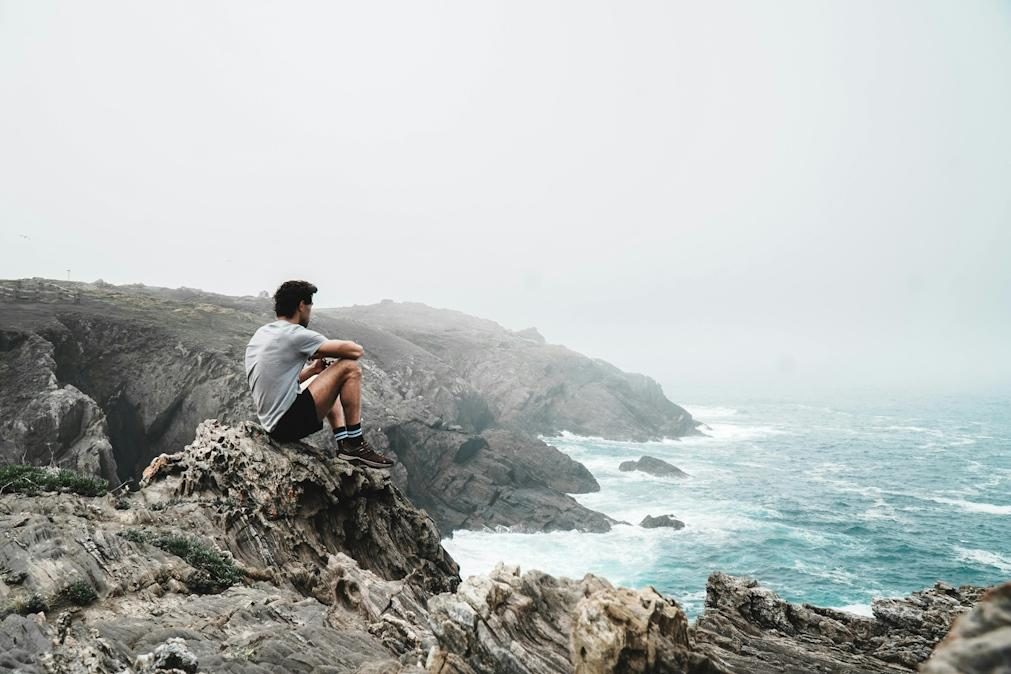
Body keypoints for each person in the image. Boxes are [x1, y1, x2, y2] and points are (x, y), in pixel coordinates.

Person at [244, 280, 394, 469]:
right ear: (301, 305)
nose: (310, 312)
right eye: (310, 306)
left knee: (319, 378)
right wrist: (322, 351)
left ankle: (343, 444)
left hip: (272, 423)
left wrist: (314, 370)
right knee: (349, 367)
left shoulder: (263, 333)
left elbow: (277, 384)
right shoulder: (295, 333)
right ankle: (355, 444)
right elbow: (355, 351)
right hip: (287, 423)